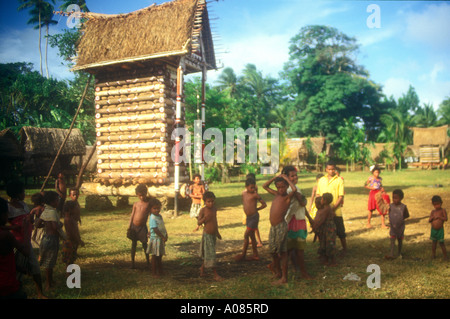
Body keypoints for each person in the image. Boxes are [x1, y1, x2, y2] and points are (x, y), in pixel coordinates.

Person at [6, 181, 46, 298]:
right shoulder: (9, 208)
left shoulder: (23, 205)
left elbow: (30, 220)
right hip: (17, 244)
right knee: (17, 270)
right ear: (17, 193)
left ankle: (40, 293)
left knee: (35, 268)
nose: (24, 194)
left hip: (27, 242)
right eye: (23, 192)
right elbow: (3, 224)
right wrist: (15, 226)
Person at [263, 174, 297, 285]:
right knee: (273, 251)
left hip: (281, 227)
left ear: (286, 186)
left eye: (283, 187)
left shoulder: (287, 197)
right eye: (278, 187)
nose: (280, 189)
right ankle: (278, 272)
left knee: (283, 252)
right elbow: (264, 186)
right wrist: (276, 177)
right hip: (273, 228)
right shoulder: (277, 194)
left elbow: (294, 189)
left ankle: (284, 278)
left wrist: (286, 178)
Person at [282, 166, 313, 279]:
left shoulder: (295, 188)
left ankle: (296, 268)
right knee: (297, 249)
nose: (295, 177)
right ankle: (303, 272)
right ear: (286, 178)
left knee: (293, 249)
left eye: (296, 175)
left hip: (297, 220)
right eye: (292, 176)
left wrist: (309, 218)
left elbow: (301, 206)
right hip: (292, 221)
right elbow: (303, 203)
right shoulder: (290, 190)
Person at [37, 191, 67, 290]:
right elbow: (55, 227)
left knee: (49, 261)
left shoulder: (45, 211)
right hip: (52, 239)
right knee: (49, 263)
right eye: (57, 200)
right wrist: (60, 225)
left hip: (45, 237)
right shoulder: (53, 212)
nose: (58, 201)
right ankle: (48, 284)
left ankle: (51, 281)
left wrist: (45, 225)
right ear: (53, 202)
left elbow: (37, 224)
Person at [0, 197, 29, 299]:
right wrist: (26, 231)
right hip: (7, 286)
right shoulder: (5, 235)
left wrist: (18, 268)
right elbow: (26, 252)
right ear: (3, 215)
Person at [316, 161, 347, 256]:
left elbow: (341, 196)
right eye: (329, 169)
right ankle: (323, 249)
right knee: (323, 231)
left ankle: (345, 248)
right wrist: (321, 208)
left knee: (340, 231)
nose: (331, 171)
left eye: (333, 169)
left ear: (335, 169)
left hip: (336, 211)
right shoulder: (321, 180)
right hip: (323, 211)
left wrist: (332, 208)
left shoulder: (339, 180)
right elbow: (318, 194)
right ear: (326, 169)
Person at [235, 178, 267, 261]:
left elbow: (264, 204)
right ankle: (256, 255)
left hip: (254, 217)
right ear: (246, 187)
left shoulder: (255, 195)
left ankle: (243, 254)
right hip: (248, 217)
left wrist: (257, 209)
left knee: (246, 235)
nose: (253, 189)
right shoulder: (243, 193)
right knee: (252, 237)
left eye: (254, 187)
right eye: (251, 188)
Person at [195, 191, 223, 281]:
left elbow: (215, 221)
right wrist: (204, 218)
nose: (211, 203)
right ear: (205, 202)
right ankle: (215, 274)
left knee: (209, 253)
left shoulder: (214, 209)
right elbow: (199, 222)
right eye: (208, 202)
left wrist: (217, 233)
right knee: (211, 254)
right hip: (207, 235)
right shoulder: (203, 210)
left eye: (212, 201)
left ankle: (202, 269)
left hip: (213, 234)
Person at [127, 184, 151, 269]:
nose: (141, 197)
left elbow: (151, 217)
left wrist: (150, 230)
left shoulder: (148, 204)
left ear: (146, 193)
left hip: (142, 227)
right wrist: (129, 227)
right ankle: (132, 263)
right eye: (140, 195)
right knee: (134, 244)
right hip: (134, 227)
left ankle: (148, 262)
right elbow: (132, 216)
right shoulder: (136, 204)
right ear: (137, 195)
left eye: (143, 195)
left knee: (145, 245)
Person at [312, 193, 337, 266]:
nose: (321, 200)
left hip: (329, 228)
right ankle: (325, 259)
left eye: (322, 199)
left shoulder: (326, 209)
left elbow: (322, 220)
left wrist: (315, 226)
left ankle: (333, 261)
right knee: (324, 243)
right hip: (326, 228)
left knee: (330, 244)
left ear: (325, 201)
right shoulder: (326, 207)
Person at [62, 188, 85, 266]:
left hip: (74, 224)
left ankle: (74, 253)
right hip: (70, 239)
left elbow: (77, 213)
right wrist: (79, 240)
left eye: (77, 194)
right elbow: (72, 233)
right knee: (69, 259)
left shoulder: (76, 204)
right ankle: (69, 275)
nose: (75, 196)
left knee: (71, 256)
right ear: (70, 195)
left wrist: (79, 219)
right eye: (73, 195)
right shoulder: (69, 219)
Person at [385, 189, 409, 260]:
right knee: (392, 240)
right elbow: (390, 213)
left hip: (400, 227)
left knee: (399, 240)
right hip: (393, 226)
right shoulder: (391, 206)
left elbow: (406, 215)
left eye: (396, 198)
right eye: (393, 198)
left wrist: (400, 219)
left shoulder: (403, 207)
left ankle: (399, 252)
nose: (394, 200)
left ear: (401, 198)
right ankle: (391, 254)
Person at [146, 198, 168, 277]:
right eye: (154, 208)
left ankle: (160, 270)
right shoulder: (152, 217)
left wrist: (166, 234)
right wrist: (162, 237)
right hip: (155, 239)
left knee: (160, 256)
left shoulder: (160, 216)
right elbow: (155, 229)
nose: (156, 210)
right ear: (150, 209)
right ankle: (154, 272)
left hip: (160, 239)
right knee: (155, 256)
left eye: (158, 208)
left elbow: (162, 226)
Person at [428, 195, 447, 260]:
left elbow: (445, 218)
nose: (437, 206)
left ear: (441, 203)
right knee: (434, 243)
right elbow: (429, 220)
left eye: (438, 204)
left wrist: (439, 217)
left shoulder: (443, 210)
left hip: (440, 230)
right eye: (435, 205)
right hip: (433, 230)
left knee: (441, 243)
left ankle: (445, 256)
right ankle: (433, 255)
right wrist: (432, 218)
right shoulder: (433, 212)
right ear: (433, 204)